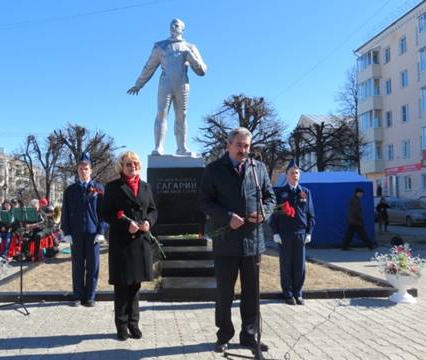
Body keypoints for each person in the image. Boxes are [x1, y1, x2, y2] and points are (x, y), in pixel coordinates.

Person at [199, 127, 275, 353]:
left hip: (253, 241)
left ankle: (249, 335)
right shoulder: (213, 170)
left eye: (247, 146)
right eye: (239, 145)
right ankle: (224, 334)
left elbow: (270, 197)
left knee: (252, 293)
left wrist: (264, 213)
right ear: (228, 145)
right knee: (225, 293)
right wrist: (227, 216)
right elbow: (205, 201)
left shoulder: (257, 168)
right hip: (226, 242)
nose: (243, 150)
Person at [127, 18, 207, 156]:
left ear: (182, 29)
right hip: (165, 84)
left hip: (182, 84)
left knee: (182, 116)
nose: (173, 27)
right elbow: (149, 66)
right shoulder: (160, 46)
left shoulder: (190, 47)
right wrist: (139, 84)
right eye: (171, 25)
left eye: (177, 25)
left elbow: (202, 71)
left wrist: (192, 58)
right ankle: (158, 147)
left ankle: (182, 148)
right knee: (161, 114)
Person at [100, 151, 158, 341]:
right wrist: (126, 224)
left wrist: (148, 222)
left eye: (134, 163)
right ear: (121, 167)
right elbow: (106, 213)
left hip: (141, 243)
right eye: (128, 164)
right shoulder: (113, 187)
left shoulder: (146, 187)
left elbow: (152, 210)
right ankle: (122, 325)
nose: (132, 167)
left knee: (135, 286)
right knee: (122, 287)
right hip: (122, 244)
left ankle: (134, 323)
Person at [61, 154, 107, 307]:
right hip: (76, 233)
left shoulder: (99, 189)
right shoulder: (70, 190)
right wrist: (66, 232)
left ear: (91, 170)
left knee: (93, 266)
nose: (83, 171)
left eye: (86, 169)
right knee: (77, 265)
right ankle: (77, 295)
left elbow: (104, 212)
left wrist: (101, 231)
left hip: (93, 233)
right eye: (80, 169)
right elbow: (65, 212)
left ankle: (90, 296)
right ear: (77, 170)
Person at [270, 160, 315, 305]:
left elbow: (311, 215)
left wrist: (309, 232)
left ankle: (298, 292)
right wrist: (275, 232)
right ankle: (288, 293)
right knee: (286, 264)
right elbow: (274, 215)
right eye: (292, 173)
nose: (295, 175)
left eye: (297, 173)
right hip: (285, 234)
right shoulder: (279, 193)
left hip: (301, 234)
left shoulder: (305, 192)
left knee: (299, 265)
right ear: (286, 175)